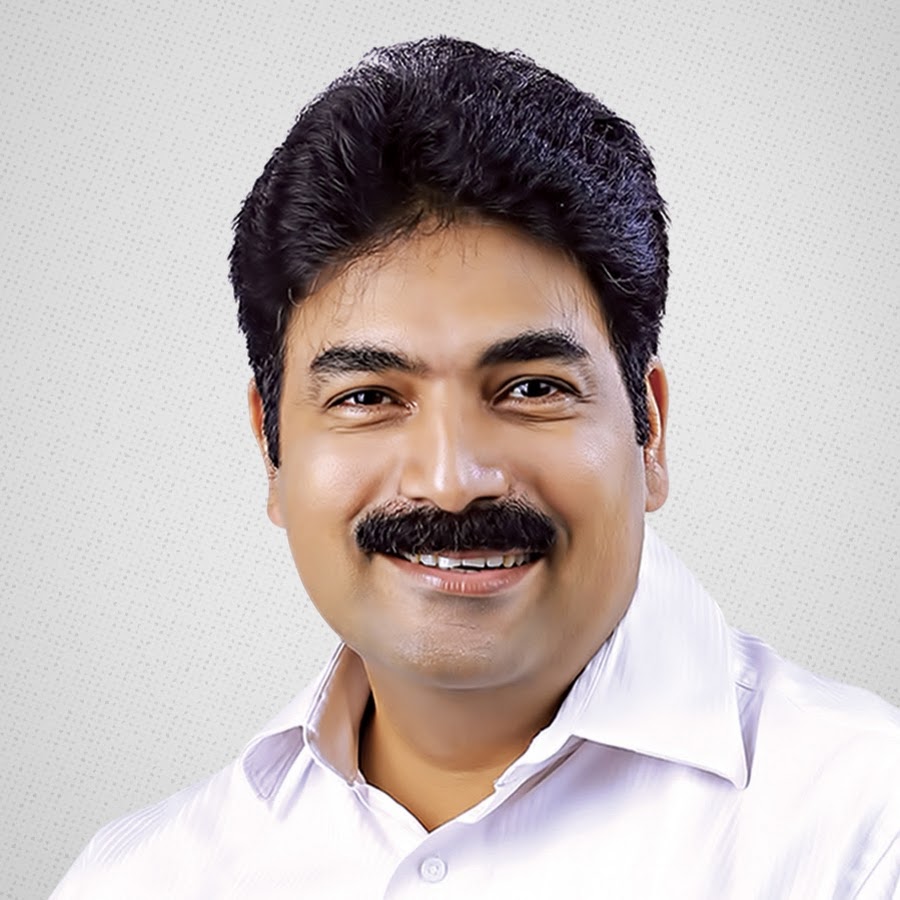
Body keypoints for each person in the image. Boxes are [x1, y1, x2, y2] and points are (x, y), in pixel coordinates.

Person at [51, 36, 899, 899]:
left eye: (532, 388)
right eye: (369, 397)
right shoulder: (142, 878)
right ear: (271, 448)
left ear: (650, 433)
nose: (453, 481)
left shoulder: (866, 833)